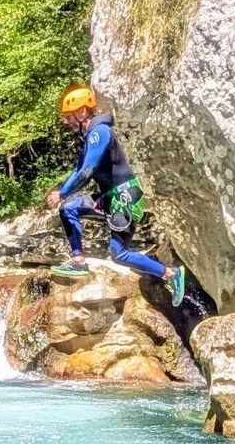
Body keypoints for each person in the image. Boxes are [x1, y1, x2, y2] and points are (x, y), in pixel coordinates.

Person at [46, 82, 186, 307]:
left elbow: (87, 171)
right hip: (110, 198)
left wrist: (62, 193)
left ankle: (170, 274)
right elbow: (77, 170)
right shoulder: (88, 135)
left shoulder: (99, 132)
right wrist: (62, 194)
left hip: (125, 198)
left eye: (69, 115)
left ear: (82, 111)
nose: (66, 121)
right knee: (68, 209)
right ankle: (78, 261)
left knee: (118, 253)